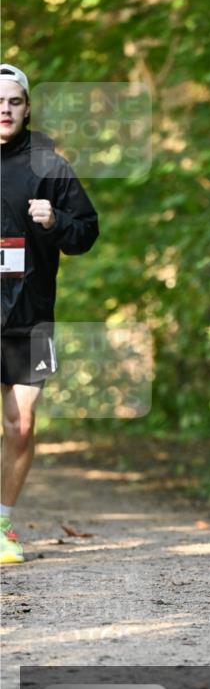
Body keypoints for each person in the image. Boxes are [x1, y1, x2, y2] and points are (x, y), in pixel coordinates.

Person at [0, 63, 99, 565]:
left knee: (20, 425)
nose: (4, 109)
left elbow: (87, 232)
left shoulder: (48, 165)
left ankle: (1, 525)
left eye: (14, 101)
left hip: (31, 319)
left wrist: (56, 220)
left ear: (27, 107)